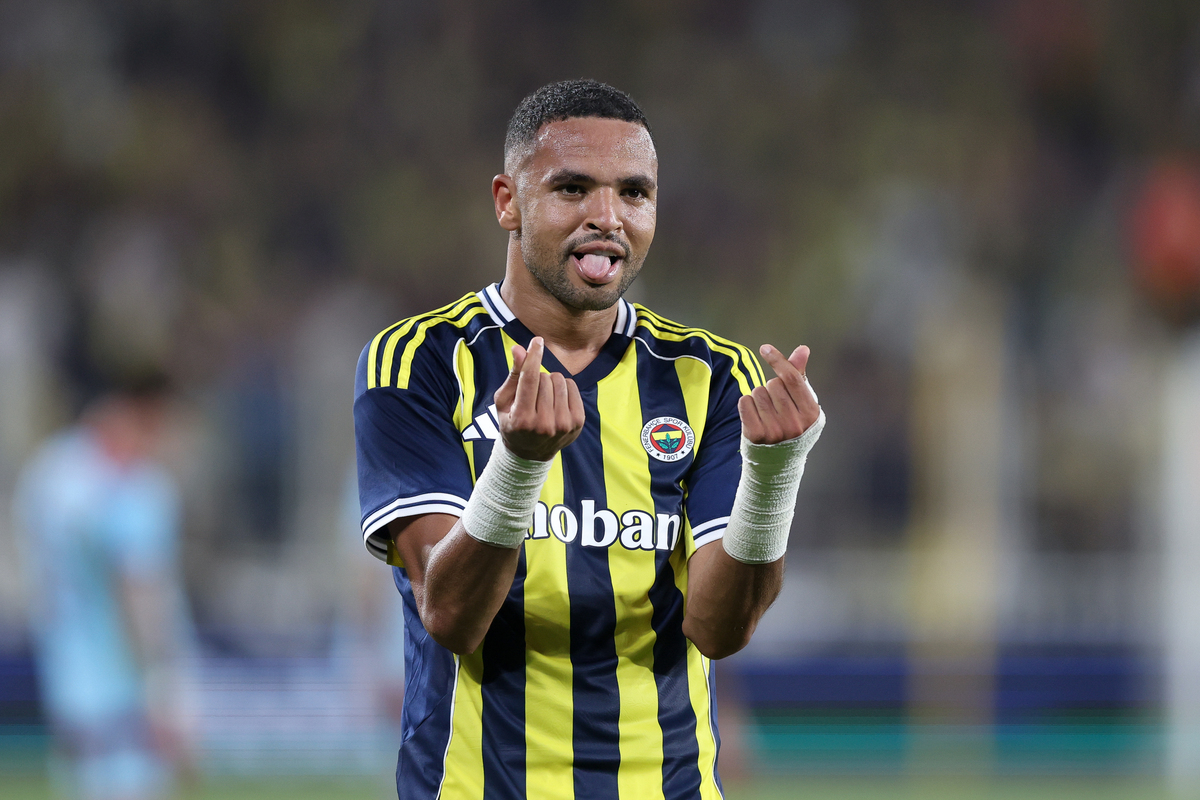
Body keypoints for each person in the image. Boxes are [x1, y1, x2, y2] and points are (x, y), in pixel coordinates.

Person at [354, 79, 825, 800]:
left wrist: (774, 479)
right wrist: (517, 468)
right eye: (573, 188)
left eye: (634, 193)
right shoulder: (418, 360)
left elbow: (718, 629)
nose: (608, 217)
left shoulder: (712, 376)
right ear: (507, 201)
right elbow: (449, 615)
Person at [14, 370, 190, 800]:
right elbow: (136, 589)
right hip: (124, 679)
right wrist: (161, 685)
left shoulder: (50, 472)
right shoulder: (135, 488)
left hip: (71, 673)